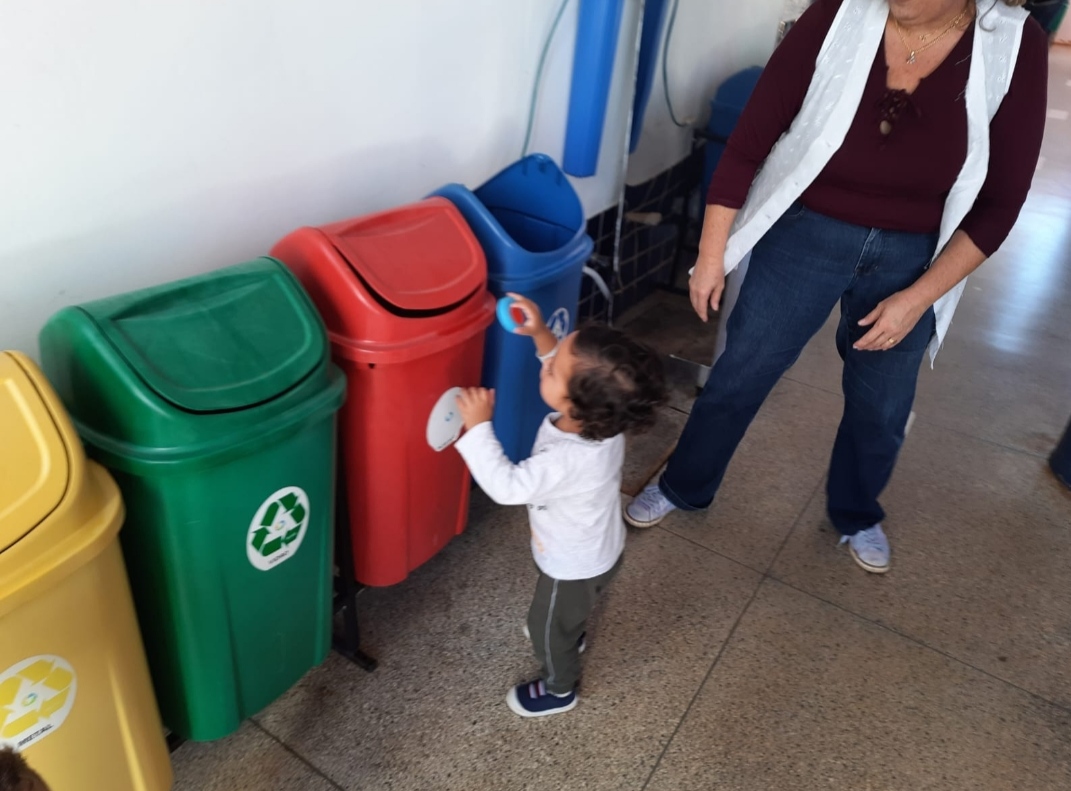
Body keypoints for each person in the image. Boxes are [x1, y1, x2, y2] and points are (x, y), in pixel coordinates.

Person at [626, 0, 1048, 575]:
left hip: (915, 256)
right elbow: (749, 142)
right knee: (742, 370)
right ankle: (684, 484)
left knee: (882, 405)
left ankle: (856, 512)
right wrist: (710, 254)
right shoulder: (838, 13)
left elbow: (1000, 204)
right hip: (805, 232)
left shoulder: (1014, 43)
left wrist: (918, 298)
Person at [454, 294, 666, 717]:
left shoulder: (568, 458)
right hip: (601, 550)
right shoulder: (606, 420)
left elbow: (508, 488)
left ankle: (559, 687)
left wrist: (478, 429)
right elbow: (568, 370)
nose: (547, 363)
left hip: (572, 565)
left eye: (553, 367)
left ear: (573, 404)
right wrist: (540, 334)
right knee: (571, 609)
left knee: (546, 629)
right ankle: (572, 626)